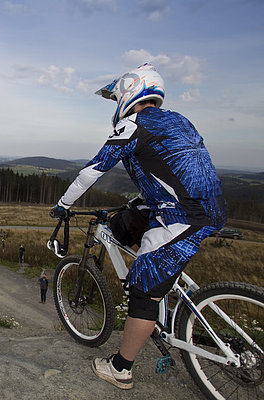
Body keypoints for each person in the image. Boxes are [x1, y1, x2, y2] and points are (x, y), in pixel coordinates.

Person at [50, 63, 226, 390]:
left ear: (128, 93)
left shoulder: (134, 124)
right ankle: (156, 281)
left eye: (116, 96)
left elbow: (92, 171)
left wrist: (62, 204)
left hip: (180, 216)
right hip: (203, 208)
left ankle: (121, 367)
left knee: (143, 291)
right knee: (123, 223)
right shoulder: (177, 120)